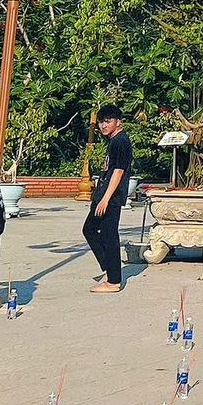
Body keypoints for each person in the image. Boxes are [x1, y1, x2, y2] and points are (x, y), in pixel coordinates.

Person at [85, 103, 133, 293]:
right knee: (93, 230)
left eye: (108, 122)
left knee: (108, 234)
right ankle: (110, 270)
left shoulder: (120, 141)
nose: (103, 126)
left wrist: (105, 198)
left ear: (118, 122)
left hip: (111, 196)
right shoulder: (113, 140)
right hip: (105, 194)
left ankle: (113, 280)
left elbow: (118, 172)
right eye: (101, 123)